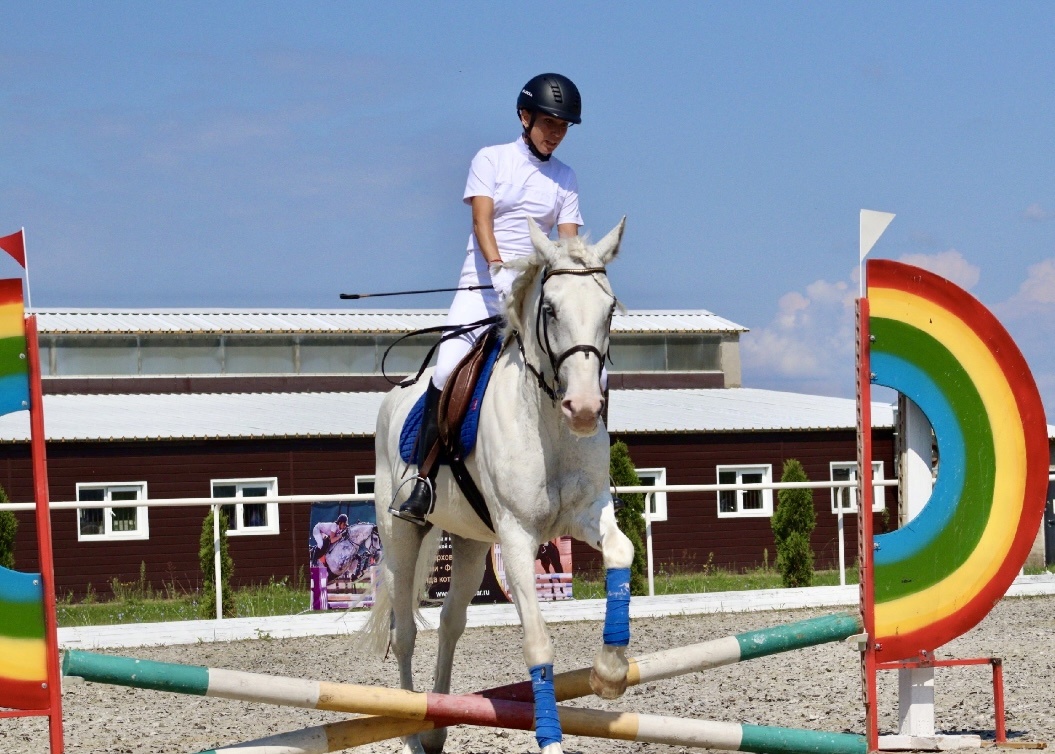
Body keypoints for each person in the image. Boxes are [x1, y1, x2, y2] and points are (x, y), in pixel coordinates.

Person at [391, 73, 584, 525]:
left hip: (533, 300)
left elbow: (569, 246)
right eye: (549, 124)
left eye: (563, 127)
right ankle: (421, 478)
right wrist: (498, 271)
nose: (556, 134)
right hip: (482, 290)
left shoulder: (566, 178)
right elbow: (483, 224)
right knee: (446, 366)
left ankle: (585, 467)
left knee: (583, 365)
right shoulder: (491, 160)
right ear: (525, 116)